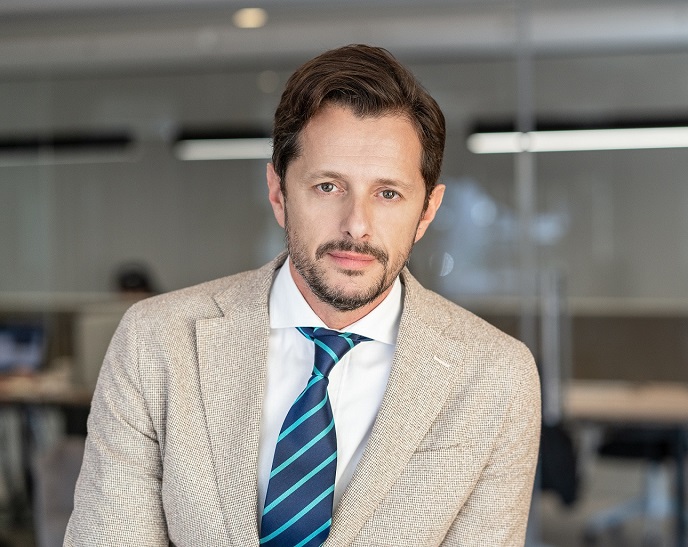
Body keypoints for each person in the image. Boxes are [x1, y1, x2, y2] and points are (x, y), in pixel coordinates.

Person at [65, 44, 541, 546]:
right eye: (328, 186)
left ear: (427, 211)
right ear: (278, 192)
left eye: (388, 193)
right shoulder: (155, 342)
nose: (356, 225)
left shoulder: (497, 378)